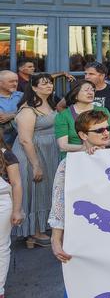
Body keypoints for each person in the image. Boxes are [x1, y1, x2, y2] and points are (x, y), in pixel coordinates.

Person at [48, 110, 110, 268]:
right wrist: (56, 240)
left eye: (107, 128)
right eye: (99, 130)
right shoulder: (69, 165)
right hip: (84, 232)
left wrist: (104, 158)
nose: (106, 133)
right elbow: (59, 202)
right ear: (83, 135)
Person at [12, 73, 59, 248]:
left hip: (48, 151)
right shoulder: (27, 109)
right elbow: (25, 139)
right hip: (32, 154)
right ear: (33, 87)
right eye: (44, 83)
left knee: (44, 189)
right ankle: (32, 232)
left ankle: (39, 228)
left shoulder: (51, 102)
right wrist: (36, 164)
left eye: (51, 83)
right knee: (34, 189)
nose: (49, 86)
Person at [54, 80, 110, 158]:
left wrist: (99, 147)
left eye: (92, 90)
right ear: (75, 94)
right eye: (86, 90)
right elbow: (63, 146)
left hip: (100, 155)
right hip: (75, 158)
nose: (91, 93)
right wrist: (88, 148)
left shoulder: (103, 111)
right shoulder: (63, 116)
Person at [0, 132, 22, 295]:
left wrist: (17, 209)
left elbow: (16, 184)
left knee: (1, 247)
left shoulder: (6, 155)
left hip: (2, 203)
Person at [0, 71, 23, 146]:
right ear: (0, 83)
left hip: (21, 142)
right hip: (2, 144)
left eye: (16, 81)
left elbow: (33, 111)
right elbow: (1, 118)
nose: (15, 84)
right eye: (11, 81)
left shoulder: (22, 96)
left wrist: (12, 115)